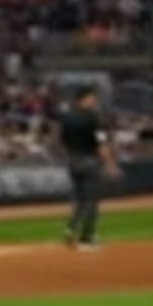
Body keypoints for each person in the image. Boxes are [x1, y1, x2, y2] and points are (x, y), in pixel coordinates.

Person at [56, 86, 117, 250]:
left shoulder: (67, 118)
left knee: (80, 199)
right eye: (92, 98)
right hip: (89, 161)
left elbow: (62, 141)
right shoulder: (93, 118)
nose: (94, 101)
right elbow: (101, 143)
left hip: (73, 161)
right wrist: (110, 164)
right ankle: (87, 237)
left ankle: (70, 228)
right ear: (84, 99)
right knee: (92, 201)